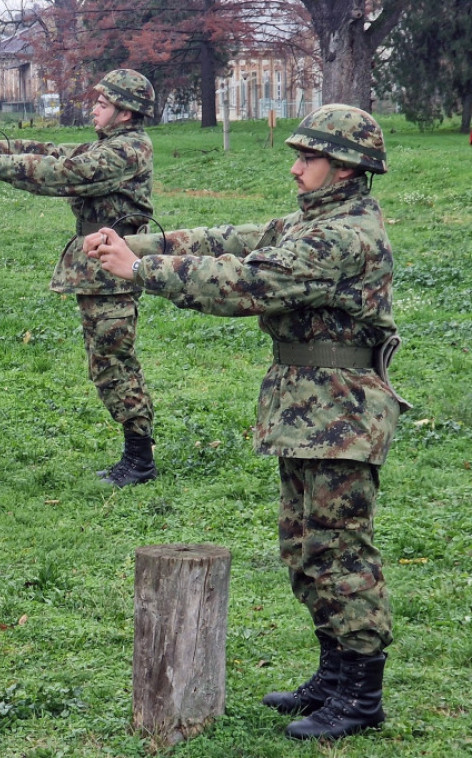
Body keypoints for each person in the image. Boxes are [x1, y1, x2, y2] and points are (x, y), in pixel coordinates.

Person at [84, 104, 409, 740]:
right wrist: (139, 244)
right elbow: (231, 240)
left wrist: (141, 271)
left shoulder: (344, 236)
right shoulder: (314, 220)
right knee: (305, 545)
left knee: (340, 550)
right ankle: (334, 674)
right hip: (310, 408)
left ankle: (362, 694)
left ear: (343, 168)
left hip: (341, 412)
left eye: (307, 158)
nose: (295, 168)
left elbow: (250, 281)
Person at [0, 70, 159, 487]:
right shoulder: (111, 144)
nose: (95, 109)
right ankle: (134, 456)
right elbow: (57, 150)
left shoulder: (127, 152)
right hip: (100, 267)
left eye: (103, 104)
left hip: (113, 271)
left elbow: (66, 172)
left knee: (115, 360)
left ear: (124, 113)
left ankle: (140, 461)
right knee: (105, 361)